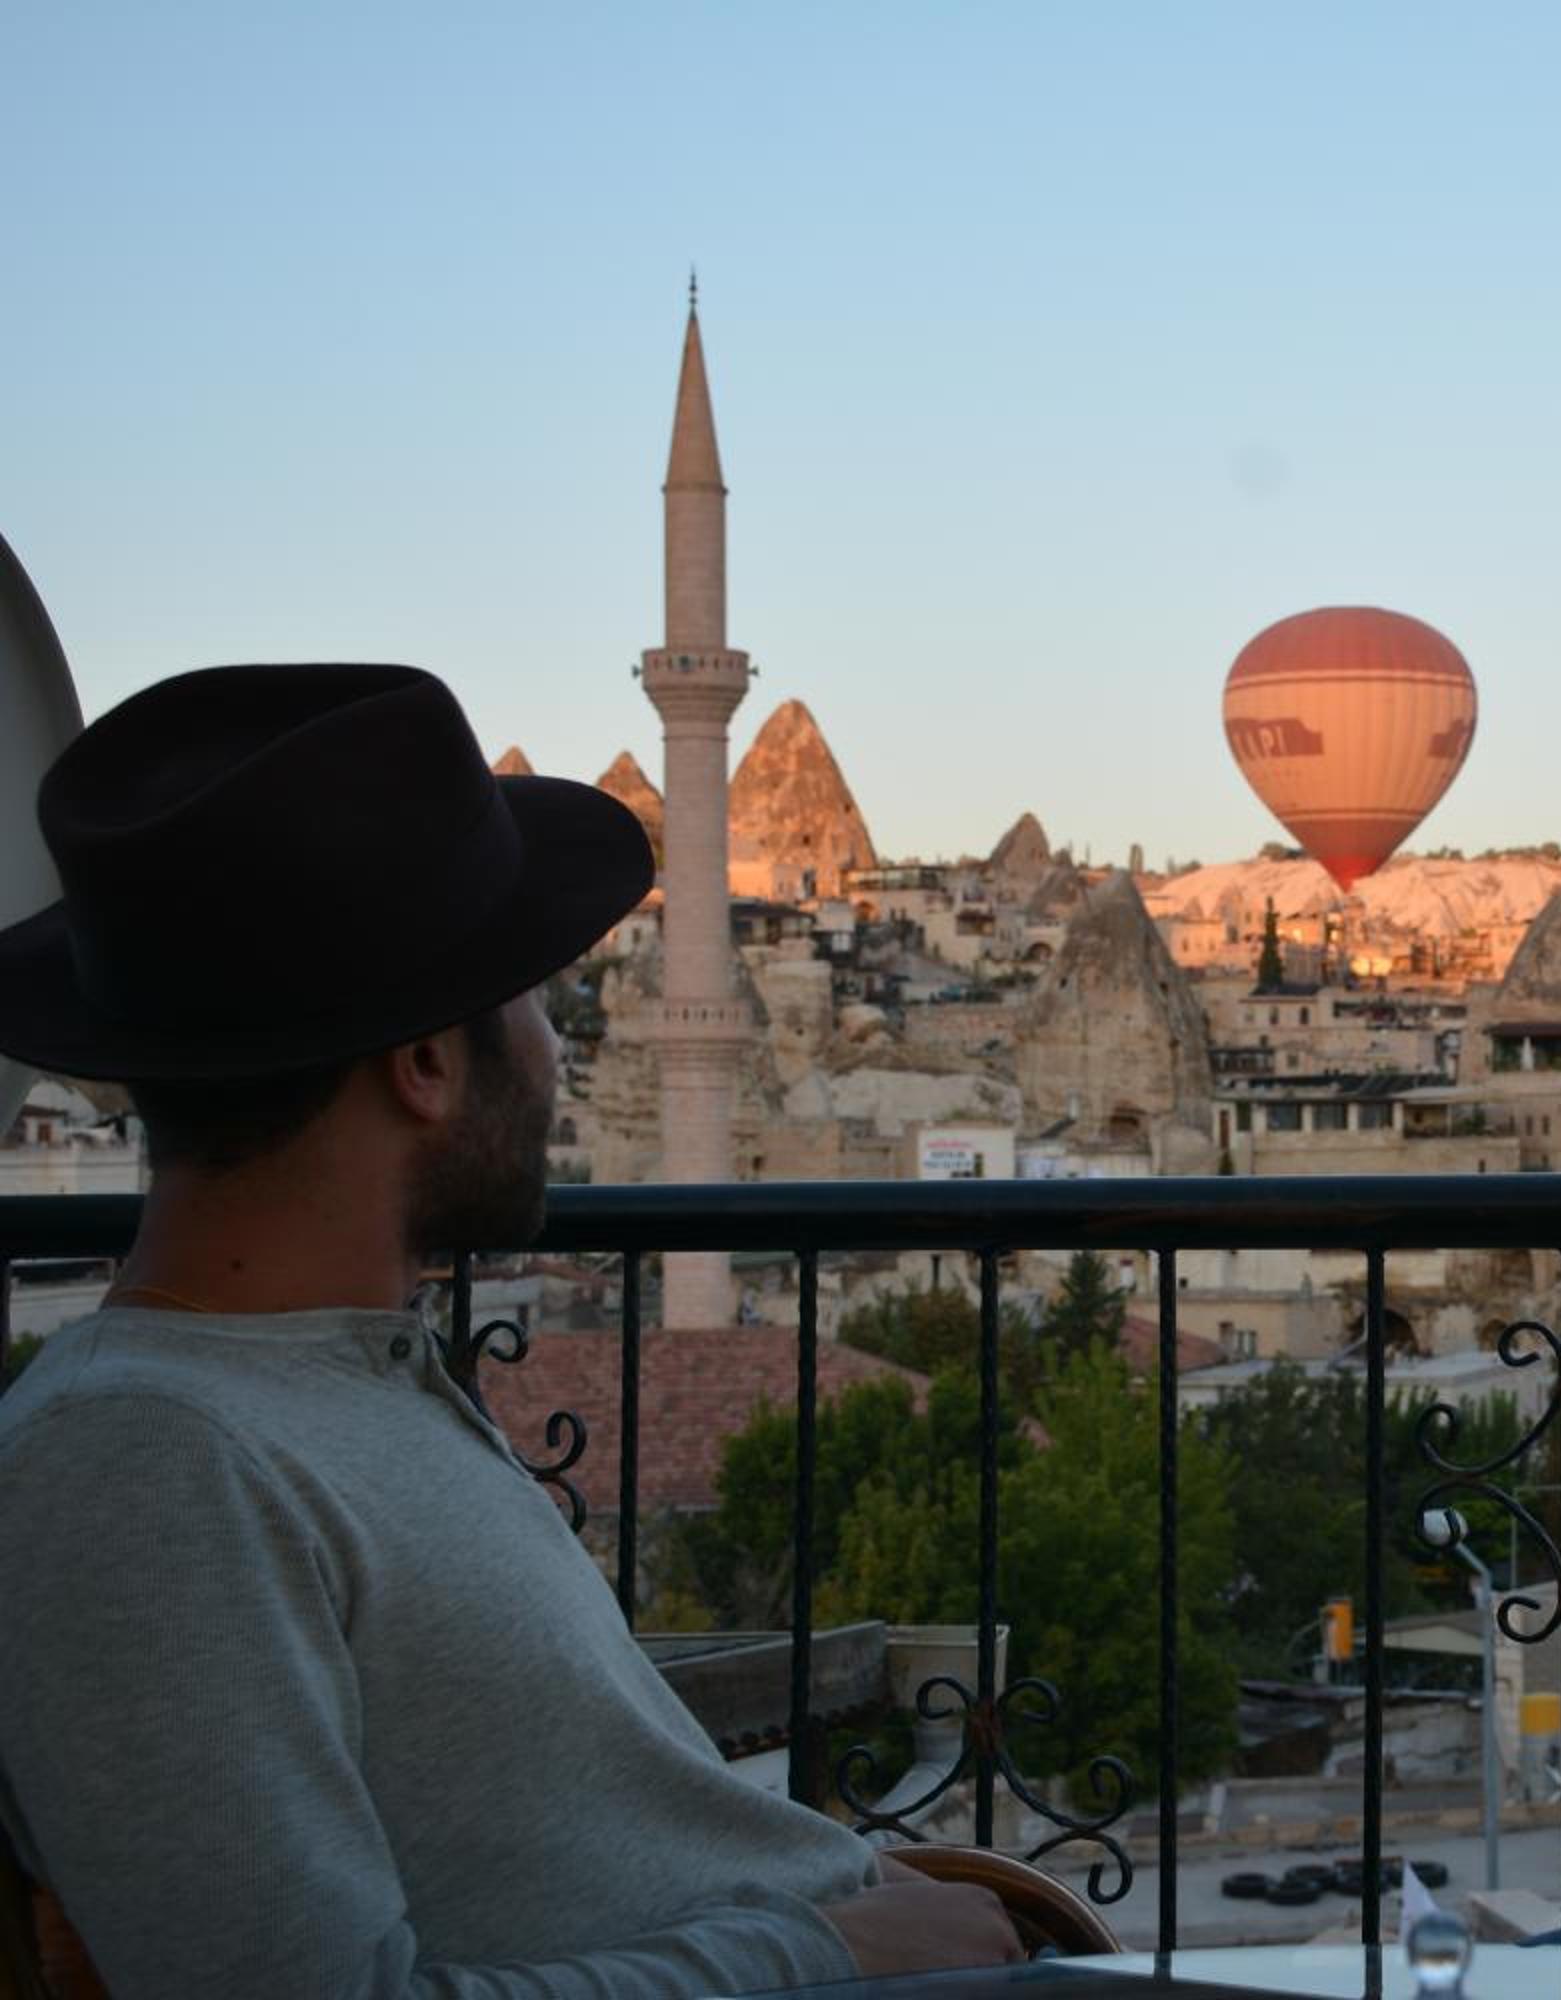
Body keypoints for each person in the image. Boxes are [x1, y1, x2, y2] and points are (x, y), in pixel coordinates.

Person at [0, 665, 1024, 1995]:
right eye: (534, 995)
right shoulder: (140, 1462)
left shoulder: (349, 1380)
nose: (553, 1047)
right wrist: (820, 1949)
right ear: (426, 1064)